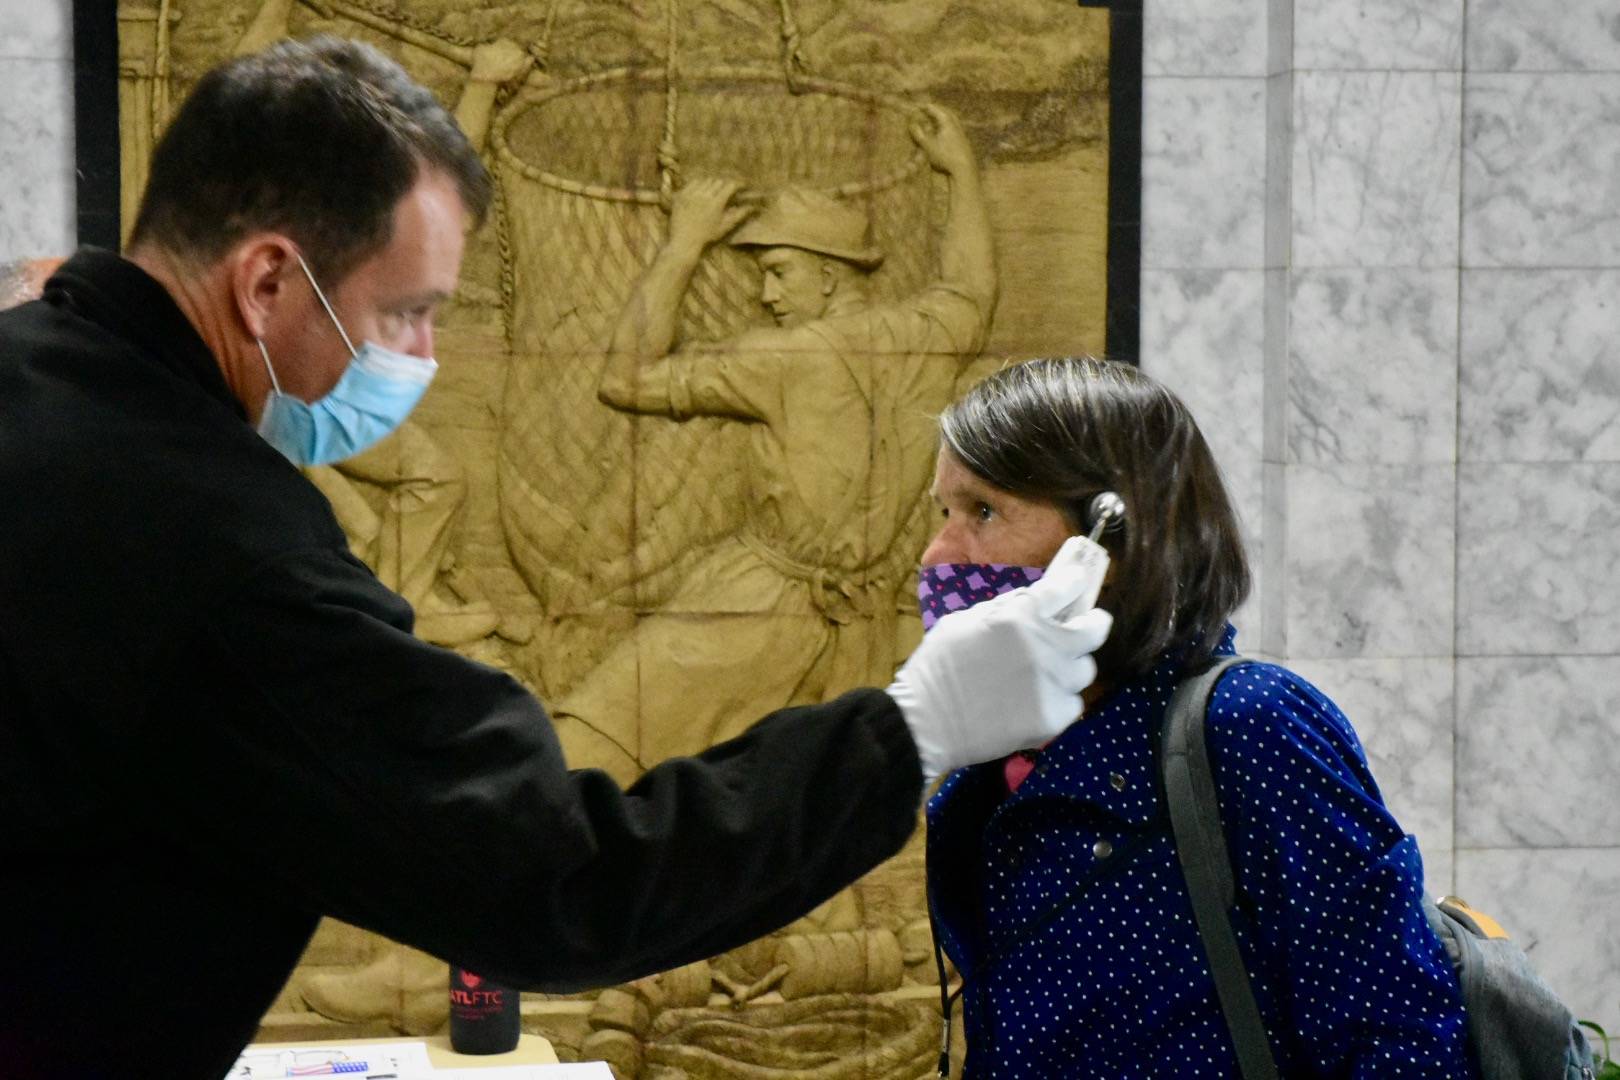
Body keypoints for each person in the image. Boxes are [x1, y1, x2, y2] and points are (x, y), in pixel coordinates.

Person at [0, 38, 1112, 1079]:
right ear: (268, 284)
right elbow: (554, 878)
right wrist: (909, 731)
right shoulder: (232, 552)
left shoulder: (33, 380)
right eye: (408, 314)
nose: (426, 359)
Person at [919, 357, 1475, 1077]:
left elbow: (1399, 1040)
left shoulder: (1254, 727)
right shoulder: (999, 768)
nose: (938, 556)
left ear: (1106, 543)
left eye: (982, 512)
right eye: (943, 514)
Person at [556, 102, 996, 771]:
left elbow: (624, 379)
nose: (765, 294)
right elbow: (971, 289)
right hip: (855, 628)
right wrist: (960, 171)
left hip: (755, 606)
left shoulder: (783, 358)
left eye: (779, 270)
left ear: (828, 272)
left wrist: (685, 243)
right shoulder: (924, 338)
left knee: (592, 742)